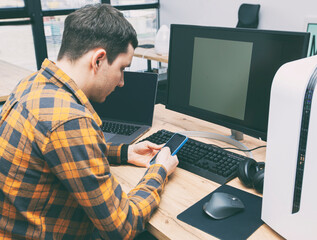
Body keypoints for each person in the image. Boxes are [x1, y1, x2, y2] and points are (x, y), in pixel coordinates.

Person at [0, 4, 178, 239]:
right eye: (122, 68)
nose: (122, 82)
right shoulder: (71, 121)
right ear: (98, 60)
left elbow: (62, 152)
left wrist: (125, 153)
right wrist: (159, 171)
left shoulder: (32, 83)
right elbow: (123, 227)